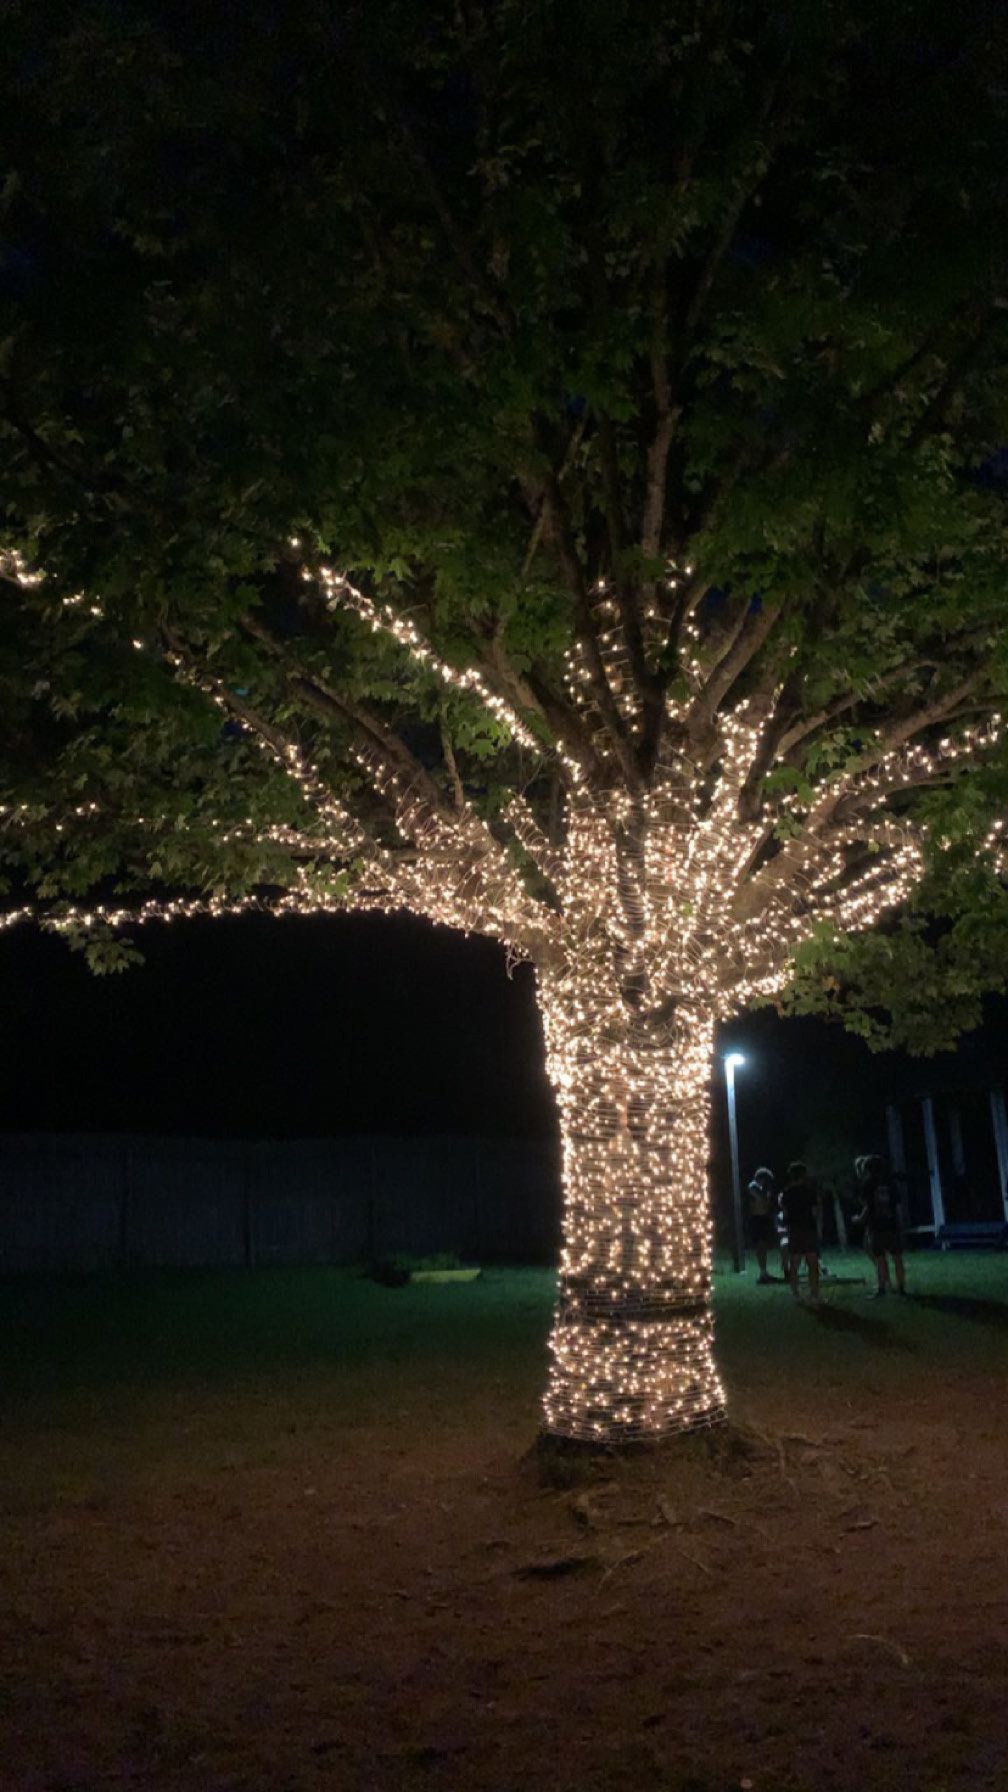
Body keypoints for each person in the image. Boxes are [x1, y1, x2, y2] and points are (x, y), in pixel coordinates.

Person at [854, 1153, 907, 1297]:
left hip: (876, 1227)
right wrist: (900, 1224)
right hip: (892, 1224)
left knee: (880, 1258)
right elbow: (898, 1206)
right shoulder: (891, 1183)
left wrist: (859, 1219)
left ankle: (882, 1288)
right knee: (897, 1258)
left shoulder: (868, 1184)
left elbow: (867, 1206)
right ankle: (901, 1287)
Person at [781, 1160, 821, 1303]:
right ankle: (814, 1294)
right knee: (812, 1263)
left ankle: (795, 1292)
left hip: (795, 1230)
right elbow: (815, 1212)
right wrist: (818, 1229)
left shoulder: (787, 1193)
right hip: (808, 1229)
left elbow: (785, 1213)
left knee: (795, 1263)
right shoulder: (809, 1192)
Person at [746, 1166, 778, 1283]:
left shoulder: (761, 1188)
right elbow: (761, 1201)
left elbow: (767, 1204)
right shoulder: (753, 1186)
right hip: (757, 1219)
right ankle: (762, 1272)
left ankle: (764, 1271)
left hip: (762, 1218)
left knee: (763, 1246)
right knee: (760, 1246)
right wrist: (766, 1197)